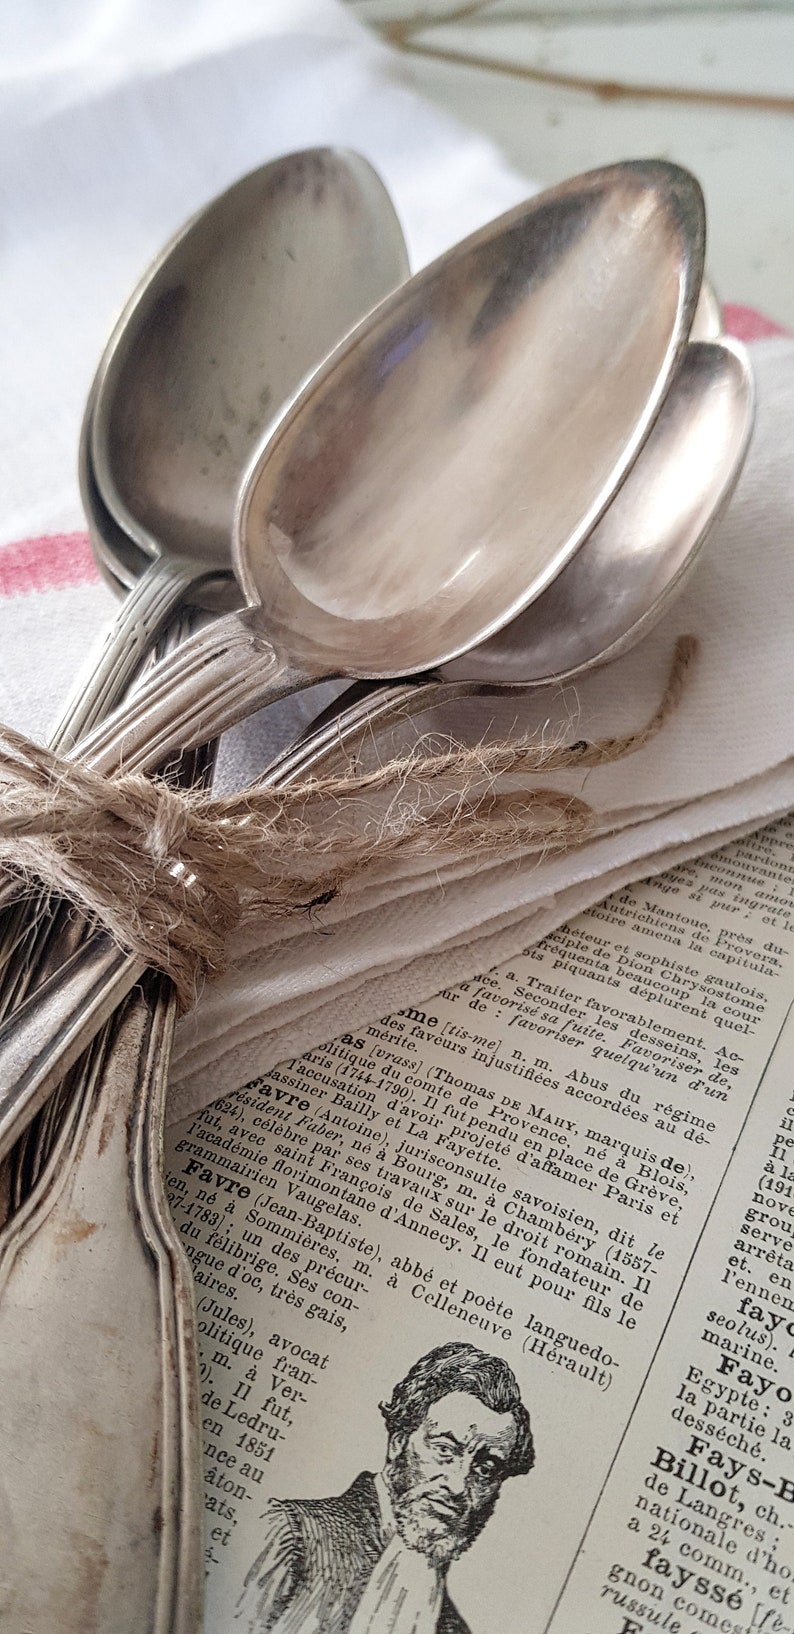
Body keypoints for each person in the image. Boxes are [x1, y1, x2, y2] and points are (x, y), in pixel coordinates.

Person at [236, 1341, 535, 1634]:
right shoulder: (294, 1532)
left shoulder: (453, 1629)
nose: (458, 1485)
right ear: (399, 1442)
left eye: (485, 1469)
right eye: (444, 1449)